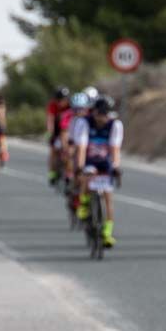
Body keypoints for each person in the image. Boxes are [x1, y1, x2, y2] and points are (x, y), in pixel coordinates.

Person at [72, 96, 123, 248]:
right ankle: (84, 202)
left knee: (108, 197)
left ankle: (107, 232)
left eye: (106, 115)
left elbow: (115, 149)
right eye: (100, 114)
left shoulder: (115, 125)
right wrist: (80, 167)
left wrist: (115, 166)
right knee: (87, 178)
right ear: (94, 113)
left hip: (105, 161)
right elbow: (81, 147)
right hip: (88, 160)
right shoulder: (84, 122)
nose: (103, 118)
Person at [46, 87, 72, 186]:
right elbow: (50, 120)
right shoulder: (53, 105)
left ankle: (69, 173)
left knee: (68, 151)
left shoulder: (71, 106)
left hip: (68, 129)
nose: (61, 102)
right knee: (53, 150)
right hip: (57, 129)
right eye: (59, 100)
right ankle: (52, 172)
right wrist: (50, 134)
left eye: (64, 99)